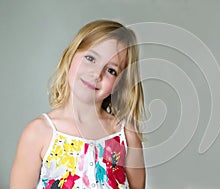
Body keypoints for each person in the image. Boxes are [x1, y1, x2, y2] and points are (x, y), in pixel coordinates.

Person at [10, 20, 146, 189]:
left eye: (111, 70)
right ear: (70, 56)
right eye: (90, 58)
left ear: (119, 83)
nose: (96, 73)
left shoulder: (126, 136)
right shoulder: (38, 133)